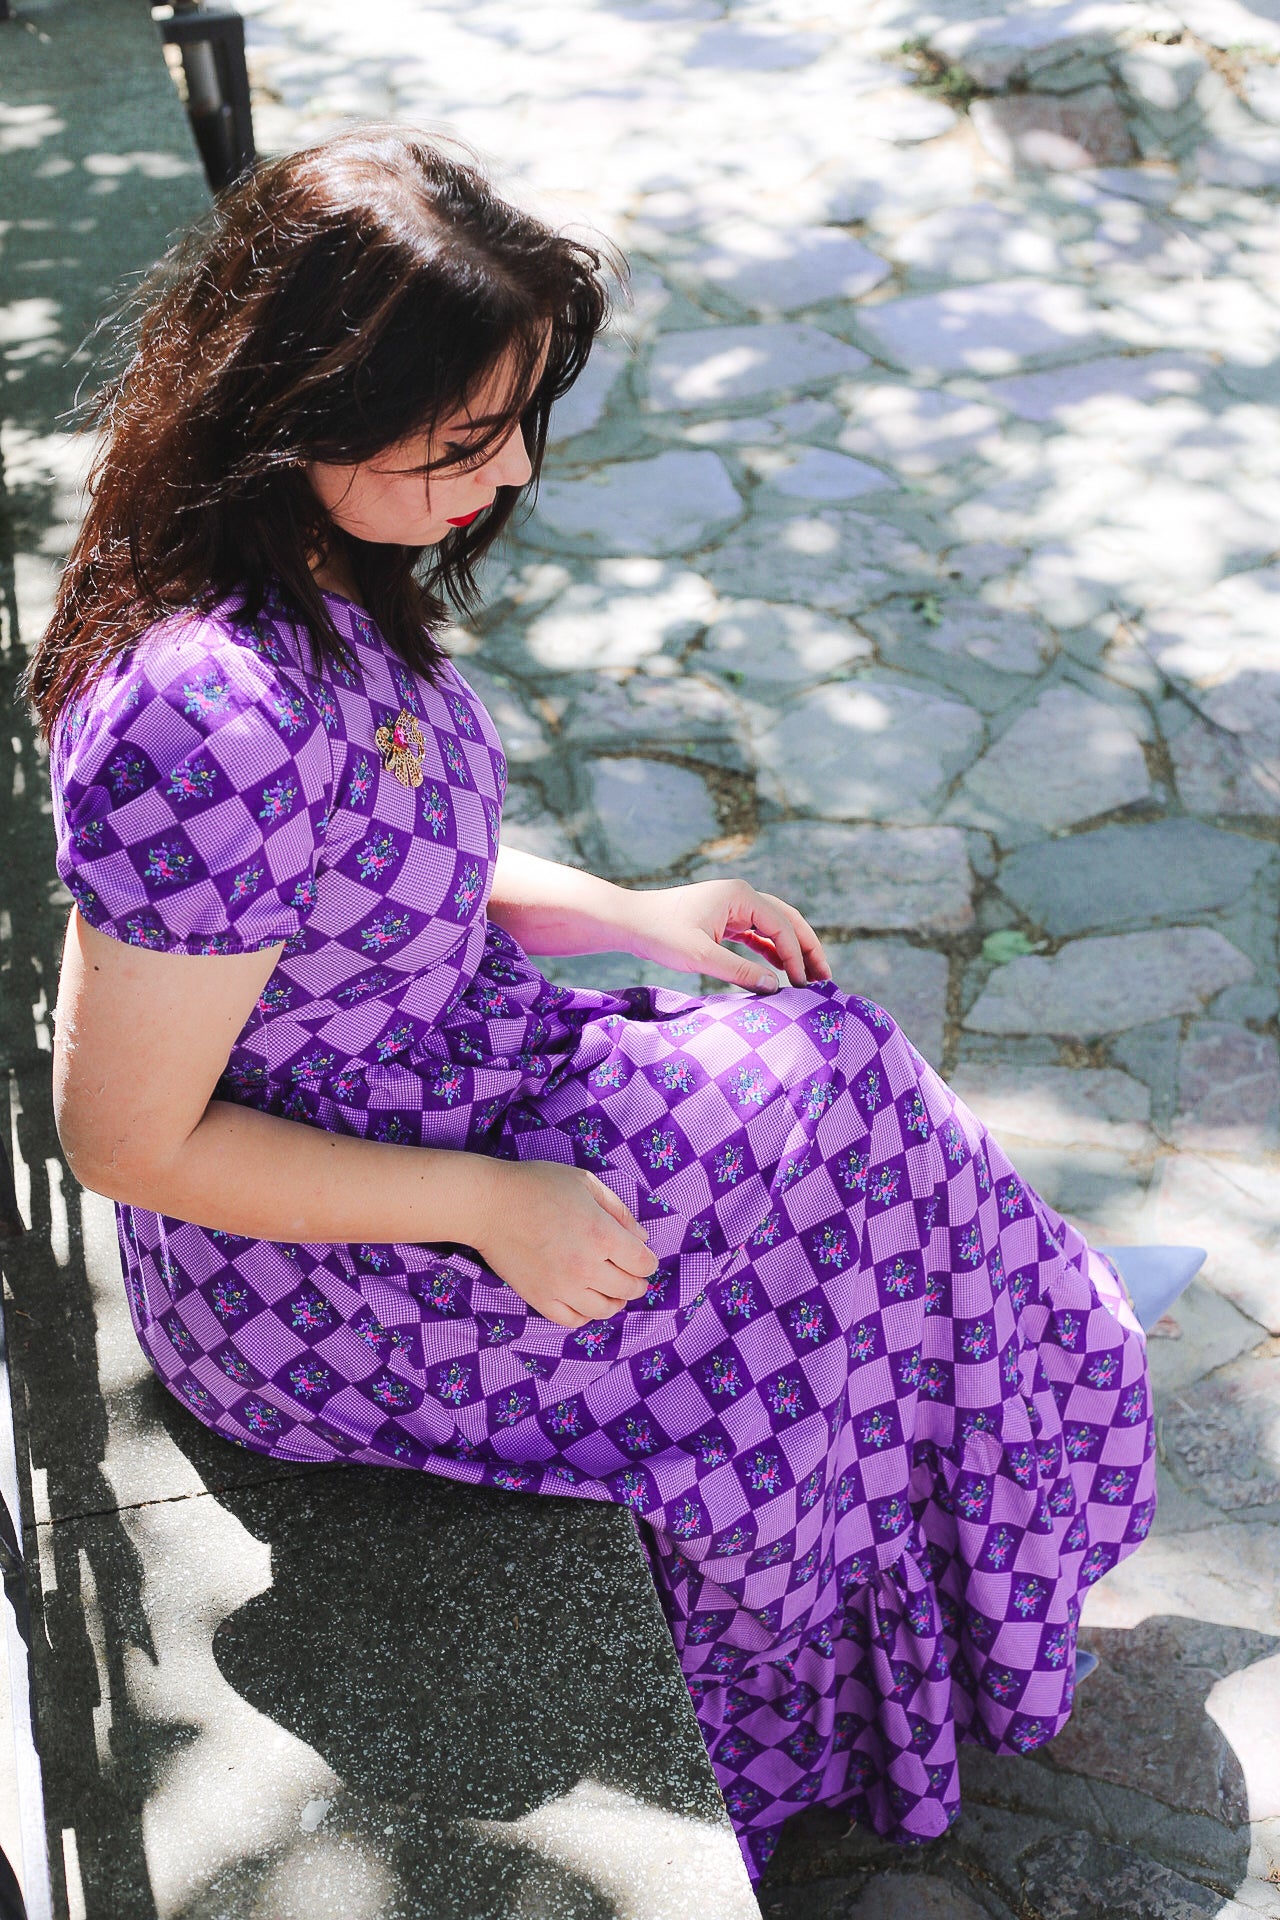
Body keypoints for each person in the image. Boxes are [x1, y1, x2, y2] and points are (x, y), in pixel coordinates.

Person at [32, 127, 1154, 1883]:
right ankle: (936, 1569)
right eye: (466, 437)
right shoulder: (204, 713)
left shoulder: (308, 572)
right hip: (330, 1266)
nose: (508, 473)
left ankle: (985, 1421)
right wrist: (496, 1207)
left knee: (843, 1105)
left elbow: (364, 879)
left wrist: (632, 913)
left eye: (524, 417)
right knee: (843, 1159)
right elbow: (122, 1136)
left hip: (446, 1107)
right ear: (301, 396)